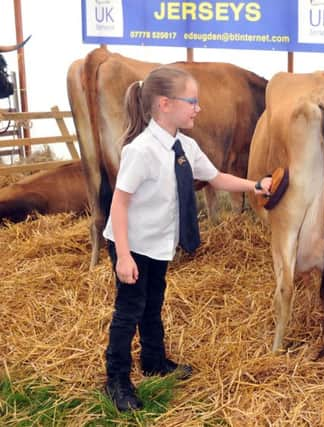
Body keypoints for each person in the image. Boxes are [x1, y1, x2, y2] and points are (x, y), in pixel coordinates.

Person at [101, 65, 271, 412]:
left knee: (153, 302)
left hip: (158, 243)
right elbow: (119, 203)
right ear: (165, 104)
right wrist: (122, 256)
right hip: (130, 243)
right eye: (191, 101)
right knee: (129, 309)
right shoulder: (142, 150)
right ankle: (115, 379)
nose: (198, 108)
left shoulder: (184, 147)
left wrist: (255, 185)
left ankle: (153, 360)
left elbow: (217, 178)